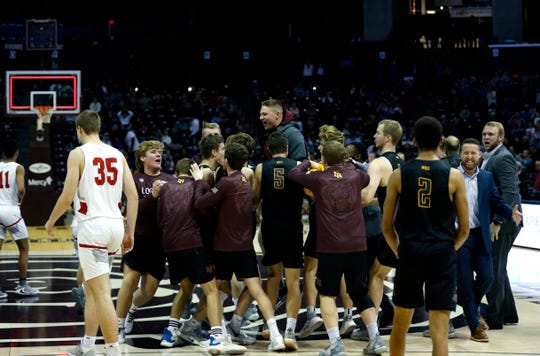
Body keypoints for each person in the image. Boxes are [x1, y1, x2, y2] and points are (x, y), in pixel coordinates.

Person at [44, 109, 138, 356]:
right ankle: (87, 344)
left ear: (79, 129)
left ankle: (113, 349)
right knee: (92, 288)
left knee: (102, 292)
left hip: (93, 228)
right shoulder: (118, 154)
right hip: (115, 227)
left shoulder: (78, 153)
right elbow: (133, 195)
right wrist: (131, 231)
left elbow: (67, 196)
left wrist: (51, 221)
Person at [289, 140, 387, 356]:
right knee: (360, 292)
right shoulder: (355, 176)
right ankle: (376, 339)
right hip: (357, 244)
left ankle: (335, 344)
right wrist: (346, 166)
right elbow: (366, 176)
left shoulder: (317, 178)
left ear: (323, 159)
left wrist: (308, 163)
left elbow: (293, 174)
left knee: (327, 294)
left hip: (331, 247)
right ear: (343, 158)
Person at [382, 116, 470, 356]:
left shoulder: (399, 174)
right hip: (441, 252)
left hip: (410, 251)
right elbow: (464, 228)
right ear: (441, 141)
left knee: (400, 325)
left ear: (413, 141)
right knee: (440, 330)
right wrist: (450, 249)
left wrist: (399, 250)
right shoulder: (454, 176)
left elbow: (387, 226)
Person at [192, 142, 286, 352]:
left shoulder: (226, 183)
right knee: (256, 290)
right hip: (245, 247)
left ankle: (217, 335)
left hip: (224, 247)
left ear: (226, 161)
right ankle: (276, 335)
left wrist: (199, 182)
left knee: (214, 290)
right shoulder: (246, 180)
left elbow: (200, 204)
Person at [157, 158, 246, 354]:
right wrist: (201, 182)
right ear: (193, 170)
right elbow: (204, 210)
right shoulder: (199, 185)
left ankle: (170, 332)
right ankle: (216, 337)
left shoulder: (165, 188)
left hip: (170, 246)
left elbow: (160, 218)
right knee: (212, 290)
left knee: (185, 288)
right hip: (192, 243)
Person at [455, 137, 522, 342]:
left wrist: (509, 212)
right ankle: (476, 326)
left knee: (489, 277)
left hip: (479, 235)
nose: (469, 156)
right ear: (460, 155)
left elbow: (496, 199)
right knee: (466, 284)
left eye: (473, 153)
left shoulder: (486, 177)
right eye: (466, 153)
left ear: (480, 155)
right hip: (460, 237)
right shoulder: (451, 176)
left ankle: (471, 309)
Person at [115, 140, 176, 343]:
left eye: (159, 152)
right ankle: (119, 326)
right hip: (137, 239)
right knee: (129, 281)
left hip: (159, 244)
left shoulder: (170, 179)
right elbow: (132, 210)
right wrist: (154, 196)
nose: (158, 154)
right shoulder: (133, 179)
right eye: (153, 152)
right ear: (142, 158)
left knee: (149, 291)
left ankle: (131, 309)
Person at [252, 131, 305, 350]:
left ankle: (268, 325)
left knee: (273, 276)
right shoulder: (299, 165)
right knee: (293, 281)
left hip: (271, 227)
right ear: (286, 148)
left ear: (268, 149)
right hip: (293, 227)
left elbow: (255, 199)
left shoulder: (261, 168)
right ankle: (290, 331)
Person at [352, 119, 404, 341]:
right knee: (384, 274)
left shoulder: (379, 163)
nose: (374, 136)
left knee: (375, 275)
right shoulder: (401, 162)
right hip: (405, 227)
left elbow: (365, 197)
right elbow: (385, 198)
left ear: (388, 137)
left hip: (391, 229)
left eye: (378, 132)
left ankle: (369, 328)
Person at [480, 121, 523, 329]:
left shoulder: (503, 157)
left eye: (491, 134)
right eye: (484, 134)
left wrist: (497, 220)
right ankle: (509, 313)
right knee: (499, 268)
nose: (486, 137)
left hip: (504, 222)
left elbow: (510, 192)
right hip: (503, 219)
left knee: (493, 268)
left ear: (500, 138)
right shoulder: (492, 156)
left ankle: (495, 318)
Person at [0, 139, 39, 298]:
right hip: (11, 211)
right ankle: (22, 285)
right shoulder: (18, 167)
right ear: (17, 153)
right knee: (24, 248)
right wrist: (20, 198)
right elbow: (21, 189)